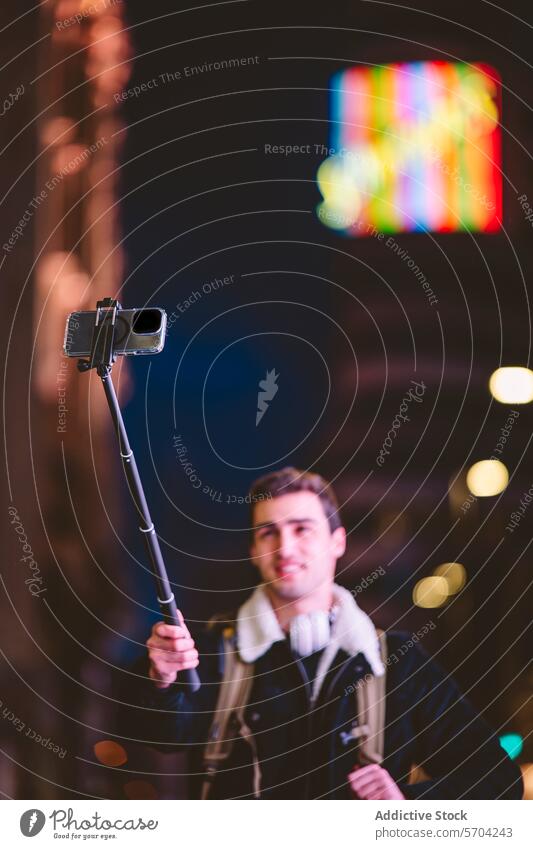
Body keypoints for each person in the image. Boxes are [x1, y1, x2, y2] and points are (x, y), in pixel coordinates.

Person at [118, 467, 523, 800]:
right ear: (253, 551)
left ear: (337, 542)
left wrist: (409, 804)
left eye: (302, 529)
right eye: (268, 532)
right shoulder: (211, 651)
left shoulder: (396, 663)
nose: (285, 548)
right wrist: (161, 681)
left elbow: (498, 782)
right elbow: (160, 735)